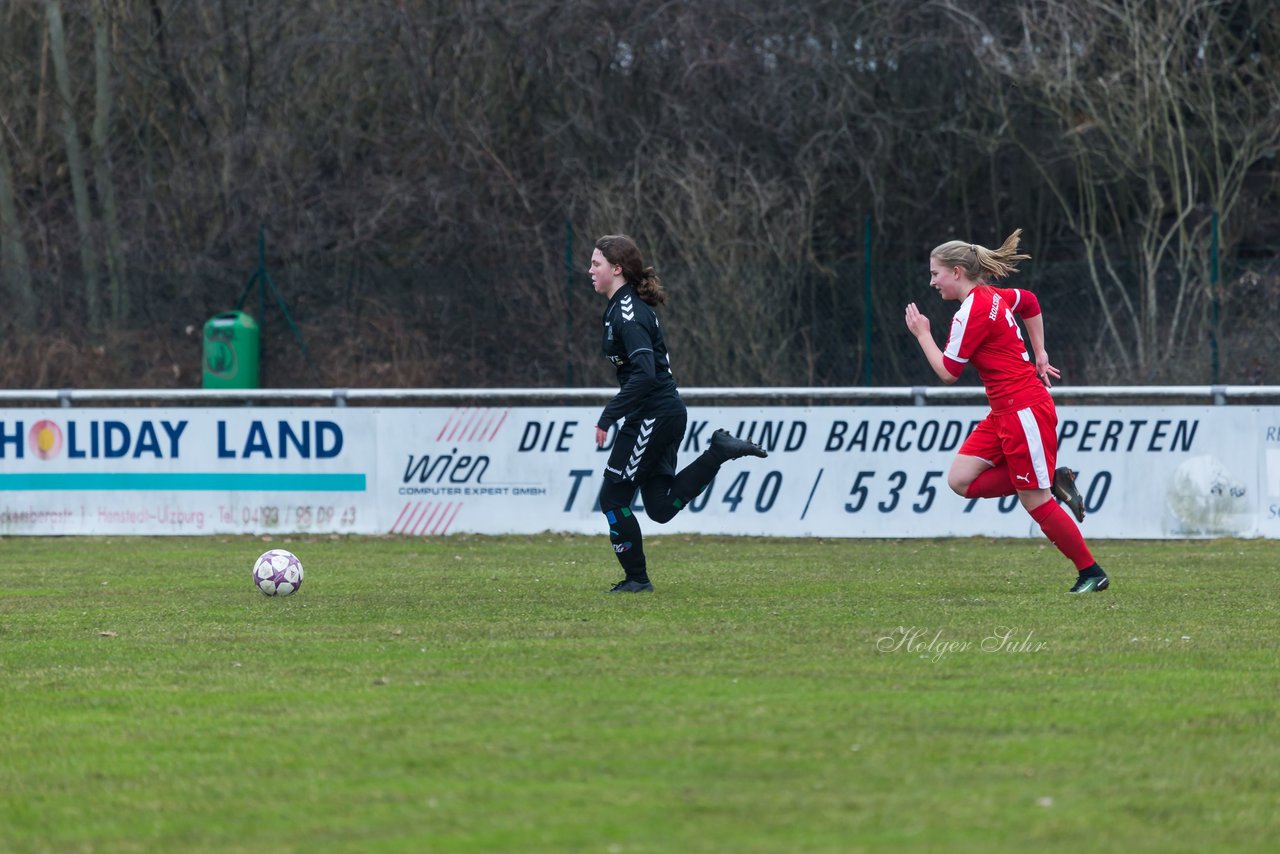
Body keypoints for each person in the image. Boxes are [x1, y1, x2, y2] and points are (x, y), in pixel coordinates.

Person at [903, 229, 1109, 594]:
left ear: (956, 272)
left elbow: (949, 373)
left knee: (1035, 501)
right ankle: (1048, 478)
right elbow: (1028, 301)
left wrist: (922, 335)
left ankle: (1091, 572)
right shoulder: (992, 296)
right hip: (1005, 412)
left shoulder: (970, 312)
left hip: (1023, 411)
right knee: (960, 480)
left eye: (935, 273)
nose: (932, 281)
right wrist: (1040, 352)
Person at [590, 234, 767, 592]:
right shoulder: (621, 308)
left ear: (617, 269)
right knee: (660, 507)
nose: (590, 270)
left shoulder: (629, 314)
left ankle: (637, 580)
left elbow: (645, 373)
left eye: (596, 264)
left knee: (614, 497)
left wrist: (609, 416)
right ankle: (719, 451)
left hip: (652, 416)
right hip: (662, 413)